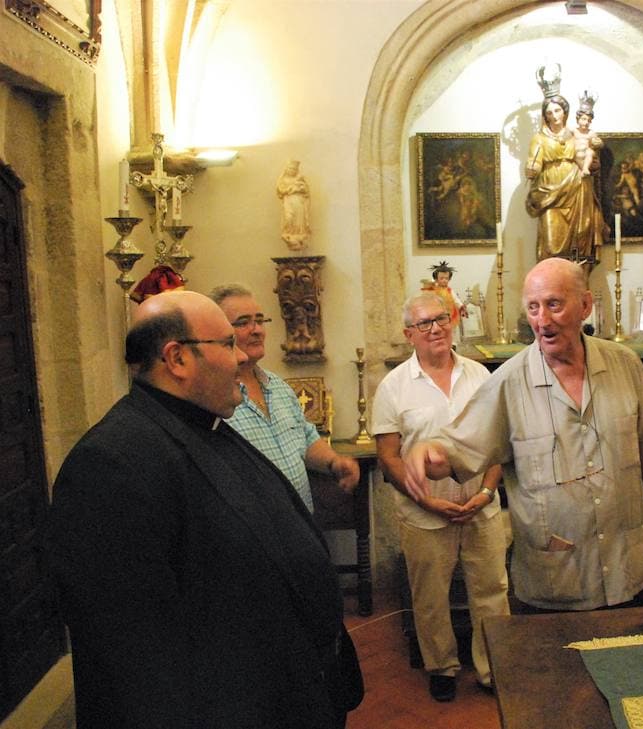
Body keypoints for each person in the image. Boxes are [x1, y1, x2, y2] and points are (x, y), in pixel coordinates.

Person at [46, 290, 363, 729]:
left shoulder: (205, 423)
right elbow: (134, 655)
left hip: (290, 690)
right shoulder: (111, 463)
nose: (240, 358)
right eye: (228, 343)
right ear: (177, 359)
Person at [403, 258, 643, 613]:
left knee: (632, 667)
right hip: (555, 585)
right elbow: (453, 452)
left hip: (628, 573)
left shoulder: (625, 365)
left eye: (554, 304)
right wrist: (425, 452)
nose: (543, 320)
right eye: (534, 308)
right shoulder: (509, 382)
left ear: (585, 305)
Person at [372, 293, 509, 702]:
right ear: (408, 334)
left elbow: (497, 444)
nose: (435, 328)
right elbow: (388, 457)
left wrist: (485, 493)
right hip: (425, 515)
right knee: (430, 597)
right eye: (425, 323)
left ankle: (492, 669)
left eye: (441, 319)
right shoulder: (393, 387)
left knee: (491, 591)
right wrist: (427, 500)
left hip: (481, 509)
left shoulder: (480, 376)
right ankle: (442, 667)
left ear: (452, 322)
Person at [209, 283, 359, 512]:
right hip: (253, 533)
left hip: (300, 525)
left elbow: (306, 438)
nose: (257, 329)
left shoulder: (278, 386)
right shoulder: (213, 398)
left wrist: (334, 462)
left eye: (259, 320)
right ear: (218, 332)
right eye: (243, 322)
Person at [525, 90, 605, 262]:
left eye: (557, 110)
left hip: (577, 189)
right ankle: (551, 280)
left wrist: (594, 154)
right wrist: (532, 169)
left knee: (580, 235)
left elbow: (587, 160)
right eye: (549, 112)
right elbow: (535, 164)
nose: (554, 116)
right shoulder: (539, 138)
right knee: (551, 242)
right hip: (550, 194)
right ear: (545, 116)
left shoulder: (574, 135)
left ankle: (575, 279)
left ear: (565, 112)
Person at [421, 260, 467, 331]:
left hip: (450, 313)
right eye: (441, 278)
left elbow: (456, 299)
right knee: (439, 327)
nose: (444, 280)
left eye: (446, 278)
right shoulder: (434, 290)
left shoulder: (449, 290)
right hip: (437, 313)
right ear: (436, 279)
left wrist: (461, 306)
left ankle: (452, 340)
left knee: (451, 328)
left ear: (449, 279)